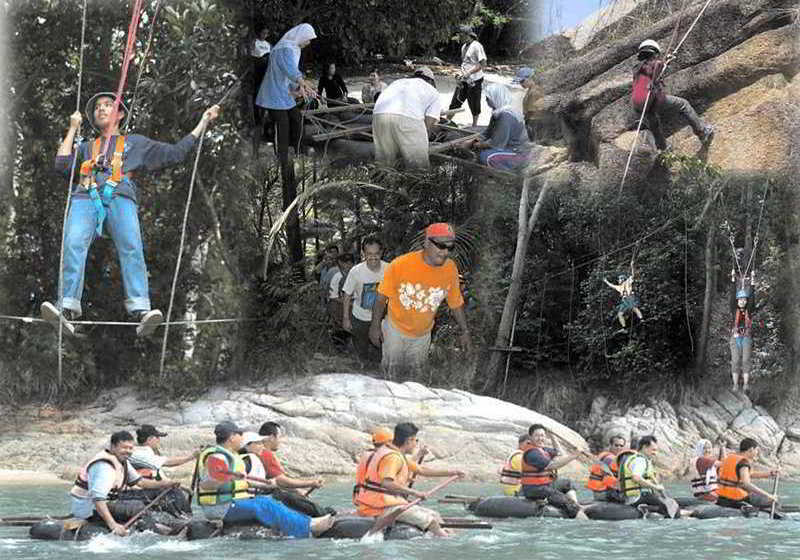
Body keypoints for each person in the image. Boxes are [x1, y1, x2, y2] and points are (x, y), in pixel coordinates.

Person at [41, 93, 220, 337]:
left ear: (120, 114)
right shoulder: (86, 147)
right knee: (73, 243)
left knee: (131, 247)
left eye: (108, 106)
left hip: (120, 196)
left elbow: (176, 152)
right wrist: (73, 128)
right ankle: (68, 307)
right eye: (98, 108)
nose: (102, 110)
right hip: (86, 196)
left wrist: (203, 122)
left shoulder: (136, 143)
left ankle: (140, 309)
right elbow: (62, 165)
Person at [196, 421, 334, 538]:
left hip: (233, 502)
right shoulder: (217, 457)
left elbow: (245, 482)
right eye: (239, 434)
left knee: (267, 500)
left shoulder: (231, 456)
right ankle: (309, 526)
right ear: (232, 437)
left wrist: (267, 485)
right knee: (264, 506)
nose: (241, 438)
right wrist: (226, 477)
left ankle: (307, 521)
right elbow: (207, 485)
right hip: (220, 507)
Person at [369, 223, 471, 377]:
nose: (445, 252)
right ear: (426, 243)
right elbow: (381, 297)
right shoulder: (401, 264)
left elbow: (456, 303)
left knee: (414, 380)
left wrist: (465, 331)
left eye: (450, 247)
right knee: (391, 376)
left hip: (423, 336)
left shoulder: (450, 269)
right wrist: (375, 326)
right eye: (441, 246)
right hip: (395, 331)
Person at [354, 422, 464, 537]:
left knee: (435, 515)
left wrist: (454, 472)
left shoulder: (394, 453)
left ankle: (449, 535)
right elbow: (386, 483)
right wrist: (415, 493)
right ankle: (446, 540)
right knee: (431, 522)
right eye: (415, 441)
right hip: (381, 507)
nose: (416, 444)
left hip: (389, 503)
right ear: (409, 440)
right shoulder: (392, 457)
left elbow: (422, 470)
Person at [69, 430, 176, 536]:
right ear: (113, 447)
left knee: (153, 494)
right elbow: (98, 499)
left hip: (107, 502)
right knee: (136, 506)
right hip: (89, 509)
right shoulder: (104, 466)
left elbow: (141, 482)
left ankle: (161, 526)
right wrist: (113, 525)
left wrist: (166, 484)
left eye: (130, 448)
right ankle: (158, 533)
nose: (128, 451)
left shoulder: (122, 461)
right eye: (124, 447)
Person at [255, 23, 317, 185]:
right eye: (308, 39)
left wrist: (300, 88)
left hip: (284, 94)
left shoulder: (293, 49)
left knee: (296, 119)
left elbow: (290, 76)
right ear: (301, 35)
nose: (308, 43)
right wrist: (303, 83)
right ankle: (282, 157)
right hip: (273, 94)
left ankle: (298, 149)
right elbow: (289, 70)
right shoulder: (284, 48)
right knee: (282, 124)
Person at [632, 39, 713, 151]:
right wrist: (665, 61)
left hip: (637, 103)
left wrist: (665, 62)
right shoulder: (652, 64)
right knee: (683, 104)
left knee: (654, 122)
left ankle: (663, 148)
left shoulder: (636, 69)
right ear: (654, 53)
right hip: (651, 98)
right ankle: (702, 132)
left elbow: (652, 72)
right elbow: (658, 65)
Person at [372, 67, 442, 169]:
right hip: (407, 118)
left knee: (385, 163)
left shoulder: (399, 82)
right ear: (430, 81)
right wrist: (422, 141)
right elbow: (429, 122)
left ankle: (381, 180)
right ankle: (416, 182)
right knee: (418, 167)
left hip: (378, 115)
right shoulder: (433, 91)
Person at [521, 424, 592, 519]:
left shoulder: (543, 450)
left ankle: (576, 505)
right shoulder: (532, 453)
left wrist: (553, 437)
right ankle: (576, 511)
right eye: (537, 435)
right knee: (566, 502)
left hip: (545, 485)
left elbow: (560, 453)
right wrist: (575, 455)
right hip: (535, 489)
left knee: (567, 483)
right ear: (530, 437)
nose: (540, 438)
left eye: (542, 435)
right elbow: (553, 465)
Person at [342, 236, 388, 364]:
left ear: (382, 252)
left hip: (382, 317)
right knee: (361, 349)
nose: (373, 257)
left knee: (382, 348)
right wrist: (346, 318)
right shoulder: (356, 271)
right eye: (369, 254)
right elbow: (347, 294)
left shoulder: (389, 269)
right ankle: (363, 369)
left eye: (376, 253)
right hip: (360, 317)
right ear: (363, 254)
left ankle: (380, 373)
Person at [466, 83, 531, 171]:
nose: (486, 100)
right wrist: (473, 140)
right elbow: (487, 132)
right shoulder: (497, 112)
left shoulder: (506, 115)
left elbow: (497, 144)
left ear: (496, 98)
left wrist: (477, 145)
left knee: (485, 156)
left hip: (517, 152)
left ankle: (508, 175)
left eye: (488, 98)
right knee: (478, 151)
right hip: (508, 147)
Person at [617, 435, 680, 518]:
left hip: (631, 497)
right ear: (644, 447)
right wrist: (655, 487)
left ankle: (649, 509)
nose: (655, 453)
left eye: (656, 450)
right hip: (638, 497)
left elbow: (651, 479)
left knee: (666, 502)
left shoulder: (640, 459)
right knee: (671, 509)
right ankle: (646, 509)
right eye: (653, 450)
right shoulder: (640, 461)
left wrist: (661, 492)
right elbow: (636, 478)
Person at [257, 421, 326, 492]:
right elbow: (281, 481)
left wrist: (297, 490)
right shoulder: (265, 454)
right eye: (279, 437)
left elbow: (276, 481)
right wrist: (311, 483)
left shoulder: (258, 452)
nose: (280, 441)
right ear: (271, 437)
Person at [717, 437, 779, 512]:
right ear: (751, 449)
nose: (757, 452)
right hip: (736, 497)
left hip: (722, 496)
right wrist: (768, 495)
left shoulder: (730, 457)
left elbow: (749, 474)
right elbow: (746, 484)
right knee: (774, 503)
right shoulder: (743, 462)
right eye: (756, 450)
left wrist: (769, 474)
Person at [448, 25, 486, 127]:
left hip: (474, 81)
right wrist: (460, 75)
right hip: (463, 80)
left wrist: (469, 73)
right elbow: (464, 64)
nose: (459, 37)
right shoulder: (464, 47)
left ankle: (474, 125)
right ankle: (447, 122)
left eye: (460, 35)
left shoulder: (477, 46)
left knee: (474, 104)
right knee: (455, 101)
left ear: (467, 35)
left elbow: (483, 64)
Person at [130, 425, 198, 481]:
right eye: (157, 437)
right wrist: (191, 457)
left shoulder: (139, 451)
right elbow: (168, 462)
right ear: (149, 439)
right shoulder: (142, 453)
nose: (159, 440)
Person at [353, 427, 394, 505]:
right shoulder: (384, 456)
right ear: (389, 442)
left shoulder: (366, 454)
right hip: (375, 500)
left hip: (360, 497)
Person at [587, 434, 627, 502]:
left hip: (594, 490)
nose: (618, 448)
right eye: (616, 445)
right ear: (610, 445)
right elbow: (610, 481)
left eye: (621, 446)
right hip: (600, 493)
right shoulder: (610, 458)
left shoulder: (604, 454)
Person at [730, 288, 754, 392]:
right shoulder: (733, 309)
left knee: (745, 360)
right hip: (735, 338)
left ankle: (746, 384)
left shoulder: (749, 310)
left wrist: (752, 282)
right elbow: (731, 297)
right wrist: (733, 279)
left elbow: (753, 298)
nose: (742, 301)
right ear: (737, 300)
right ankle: (735, 385)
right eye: (740, 299)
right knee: (735, 361)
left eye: (744, 299)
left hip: (746, 337)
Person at [328, 253, 355, 347]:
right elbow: (333, 296)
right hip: (337, 303)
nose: (348, 265)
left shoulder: (353, 274)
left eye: (350, 263)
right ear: (340, 263)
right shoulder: (337, 276)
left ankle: (348, 343)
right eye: (345, 263)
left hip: (348, 303)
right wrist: (348, 303)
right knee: (339, 323)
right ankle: (339, 344)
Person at [690, 438, 723, 502]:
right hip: (708, 496)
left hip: (703, 495)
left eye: (709, 448)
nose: (707, 450)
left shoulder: (698, 460)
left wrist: (722, 447)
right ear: (700, 449)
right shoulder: (702, 460)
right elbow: (724, 464)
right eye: (704, 448)